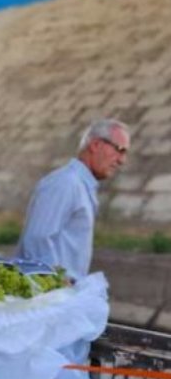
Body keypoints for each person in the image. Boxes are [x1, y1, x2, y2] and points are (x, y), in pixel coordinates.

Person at [17, 119, 130, 280]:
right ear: (96, 145)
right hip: (49, 291)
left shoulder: (80, 186)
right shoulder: (66, 183)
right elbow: (37, 240)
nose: (122, 160)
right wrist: (59, 282)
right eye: (119, 149)